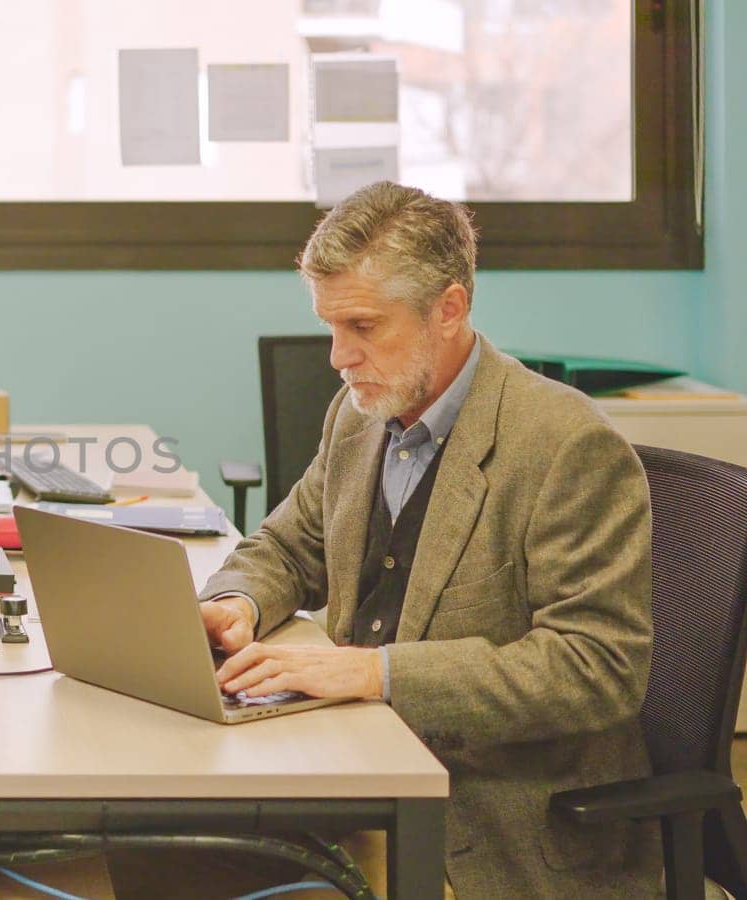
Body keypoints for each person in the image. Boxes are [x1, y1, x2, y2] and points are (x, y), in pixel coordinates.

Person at [200, 182, 660, 896]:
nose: (337, 357)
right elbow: (291, 547)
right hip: (360, 767)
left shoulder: (566, 446)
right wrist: (237, 605)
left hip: (489, 822)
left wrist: (377, 673)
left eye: (362, 326)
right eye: (331, 327)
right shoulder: (358, 417)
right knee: (162, 848)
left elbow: (594, 668)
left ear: (449, 310)